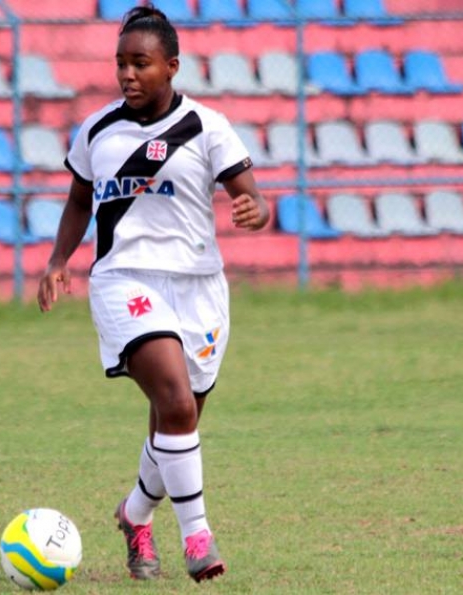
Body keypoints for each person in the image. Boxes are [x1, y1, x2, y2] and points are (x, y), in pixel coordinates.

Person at [36, 3, 270, 584]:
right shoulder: (96, 130)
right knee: (176, 403)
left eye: (140, 63)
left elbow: (256, 199)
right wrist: (59, 260)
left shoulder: (208, 127)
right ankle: (198, 537)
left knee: (176, 422)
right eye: (120, 63)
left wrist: (253, 210)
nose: (127, 75)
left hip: (199, 289)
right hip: (125, 280)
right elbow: (77, 200)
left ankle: (134, 514)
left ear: (171, 66)